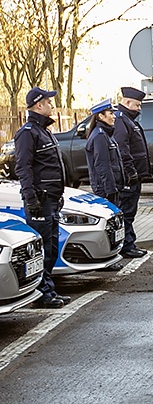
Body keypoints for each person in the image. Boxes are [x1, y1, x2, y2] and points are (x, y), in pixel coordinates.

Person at [14, 87, 70, 308]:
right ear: (38, 105)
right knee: (43, 249)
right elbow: (23, 168)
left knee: (52, 248)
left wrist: (59, 194)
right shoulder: (27, 133)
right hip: (40, 200)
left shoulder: (44, 131)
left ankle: (48, 288)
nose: (52, 106)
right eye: (48, 102)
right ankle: (42, 293)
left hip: (51, 199)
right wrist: (31, 198)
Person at [113, 86, 150, 258]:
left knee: (130, 212)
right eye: (137, 105)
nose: (139, 109)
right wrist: (130, 172)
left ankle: (130, 242)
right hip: (129, 177)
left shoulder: (127, 120)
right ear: (127, 102)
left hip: (135, 175)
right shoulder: (121, 120)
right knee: (127, 212)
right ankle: (126, 246)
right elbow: (123, 149)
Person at [85, 98, 126, 207]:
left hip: (111, 187)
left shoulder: (106, 134)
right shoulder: (100, 136)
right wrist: (110, 190)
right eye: (111, 113)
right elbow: (102, 164)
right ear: (101, 116)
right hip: (105, 190)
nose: (114, 116)